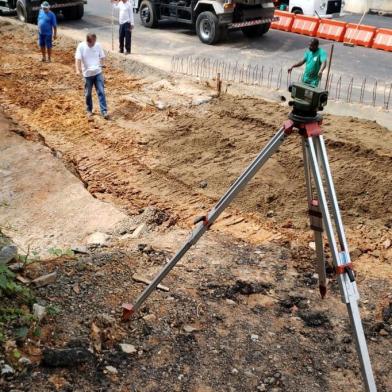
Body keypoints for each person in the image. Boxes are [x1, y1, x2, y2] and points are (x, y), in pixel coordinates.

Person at [75, 33, 109, 119]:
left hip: (98, 72)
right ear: (88, 41)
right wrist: (78, 70)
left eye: (94, 42)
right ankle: (89, 110)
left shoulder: (97, 45)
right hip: (87, 74)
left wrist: (103, 64)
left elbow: (102, 56)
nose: (93, 44)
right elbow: (78, 59)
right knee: (88, 93)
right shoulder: (81, 46)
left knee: (101, 91)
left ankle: (104, 111)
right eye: (92, 43)